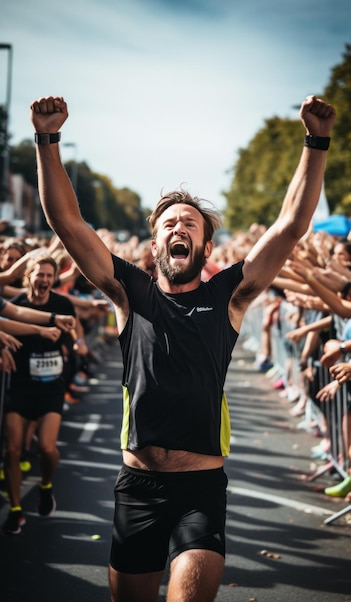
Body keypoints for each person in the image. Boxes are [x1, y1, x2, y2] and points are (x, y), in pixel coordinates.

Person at [30, 94, 336, 602]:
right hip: (137, 488)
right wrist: (47, 139)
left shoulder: (228, 296)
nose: (179, 227)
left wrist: (316, 142)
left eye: (190, 224)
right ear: (154, 245)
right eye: (169, 223)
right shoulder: (132, 293)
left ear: (206, 247)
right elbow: (68, 223)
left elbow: (289, 226)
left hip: (201, 492)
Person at [1, 256, 78, 534]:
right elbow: (10, 321)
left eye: (49, 275)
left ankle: (46, 486)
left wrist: (69, 353)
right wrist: (4, 349)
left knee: (47, 448)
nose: (44, 280)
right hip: (20, 385)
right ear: (29, 277)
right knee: (13, 450)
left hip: (50, 389)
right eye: (39, 275)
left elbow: (69, 344)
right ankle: (16, 510)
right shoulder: (18, 303)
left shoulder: (62, 304)